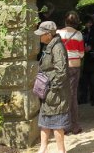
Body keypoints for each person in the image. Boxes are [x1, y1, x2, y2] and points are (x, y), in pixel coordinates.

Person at [35, 21, 70, 153]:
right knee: (44, 121)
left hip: (55, 92)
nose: (39, 37)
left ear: (48, 34)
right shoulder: (49, 45)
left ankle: (61, 150)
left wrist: (52, 88)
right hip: (48, 90)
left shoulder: (57, 48)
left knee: (57, 123)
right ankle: (43, 148)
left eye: (41, 34)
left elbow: (61, 72)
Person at [57, 11, 85, 135]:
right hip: (75, 66)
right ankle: (74, 126)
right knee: (73, 96)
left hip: (62, 67)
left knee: (63, 95)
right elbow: (81, 53)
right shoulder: (78, 35)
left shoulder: (58, 33)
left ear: (65, 20)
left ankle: (64, 126)